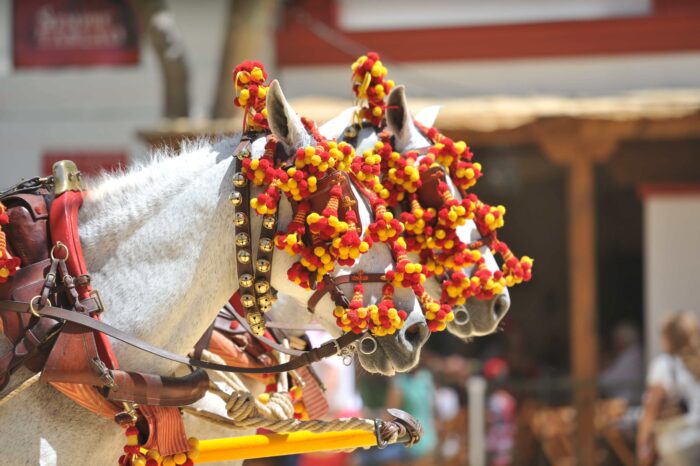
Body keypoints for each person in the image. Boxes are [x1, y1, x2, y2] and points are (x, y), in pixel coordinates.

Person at [637, 311, 700, 466]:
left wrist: (642, 443)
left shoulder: (664, 365)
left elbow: (652, 407)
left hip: (678, 442)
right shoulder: (695, 364)